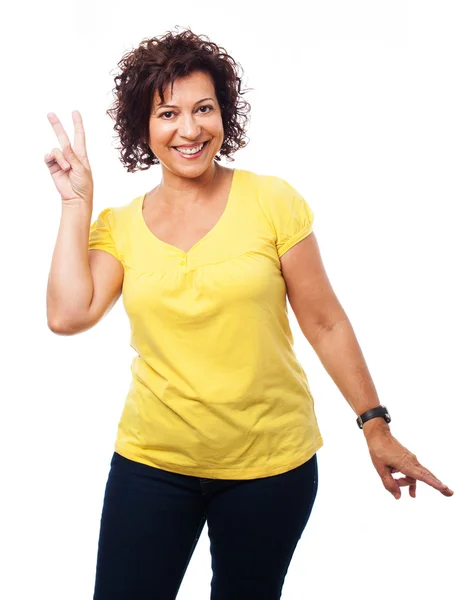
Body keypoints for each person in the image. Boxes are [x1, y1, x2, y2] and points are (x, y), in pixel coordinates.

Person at [45, 27, 454, 600]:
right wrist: (75, 203)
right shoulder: (119, 226)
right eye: (168, 114)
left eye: (203, 109)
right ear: (144, 127)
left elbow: (325, 320)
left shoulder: (271, 201)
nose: (189, 130)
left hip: (271, 468)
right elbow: (68, 314)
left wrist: (375, 425)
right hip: (153, 464)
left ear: (224, 114)